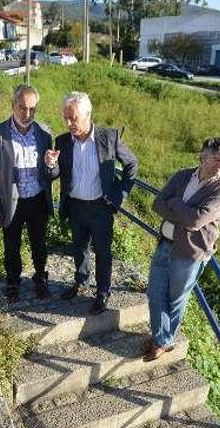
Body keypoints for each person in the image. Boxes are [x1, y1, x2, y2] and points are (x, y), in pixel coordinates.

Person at [145, 137, 220, 361]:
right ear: (202, 157)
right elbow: (157, 203)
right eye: (216, 159)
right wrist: (181, 210)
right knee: (155, 293)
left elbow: (195, 221)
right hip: (165, 243)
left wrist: (174, 203)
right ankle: (164, 339)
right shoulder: (183, 176)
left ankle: (162, 340)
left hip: (190, 253)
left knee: (175, 299)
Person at [52, 91, 138, 315]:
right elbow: (55, 173)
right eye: (66, 118)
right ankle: (80, 282)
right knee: (79, 249)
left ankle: (102, 293)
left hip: (101, 207)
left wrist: (120, 195)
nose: (69, 123)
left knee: (103, 252)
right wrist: (50, 164)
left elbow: (132, 165)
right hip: (75, 206)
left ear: (88, 114)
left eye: (73, 118)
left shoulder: (109, 137)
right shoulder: (62, 141)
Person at [0, 84, 57, 302]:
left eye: (32, 109)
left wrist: (51, 166)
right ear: (12, 106)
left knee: (39, 244)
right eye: (22, 108)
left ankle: (40, 278)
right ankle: (13, 281)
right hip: (10, 202)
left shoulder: (44, 133)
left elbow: (50, 172)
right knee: (11, 246)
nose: (27, 113)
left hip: (37, 200)